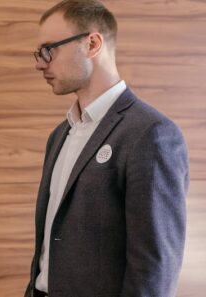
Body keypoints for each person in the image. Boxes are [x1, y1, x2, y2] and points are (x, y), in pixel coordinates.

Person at [24, 1, 189, 297]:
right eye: (39, 53)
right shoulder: (60, 135)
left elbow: (155, 268)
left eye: (49, 50)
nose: (40, 63)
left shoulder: (151, 134)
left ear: (92, 44)